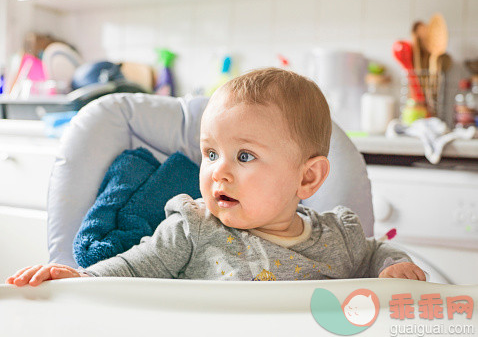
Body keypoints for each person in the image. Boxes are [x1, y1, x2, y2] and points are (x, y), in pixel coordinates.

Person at [6, 68, 426, 287]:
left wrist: (396, 267)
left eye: (244, 156)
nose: (217, 170)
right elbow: (134, 267)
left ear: (308, 178)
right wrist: (81, 278)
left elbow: (377, 256)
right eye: (210, 153)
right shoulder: (192, 228)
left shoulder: (340, 237)